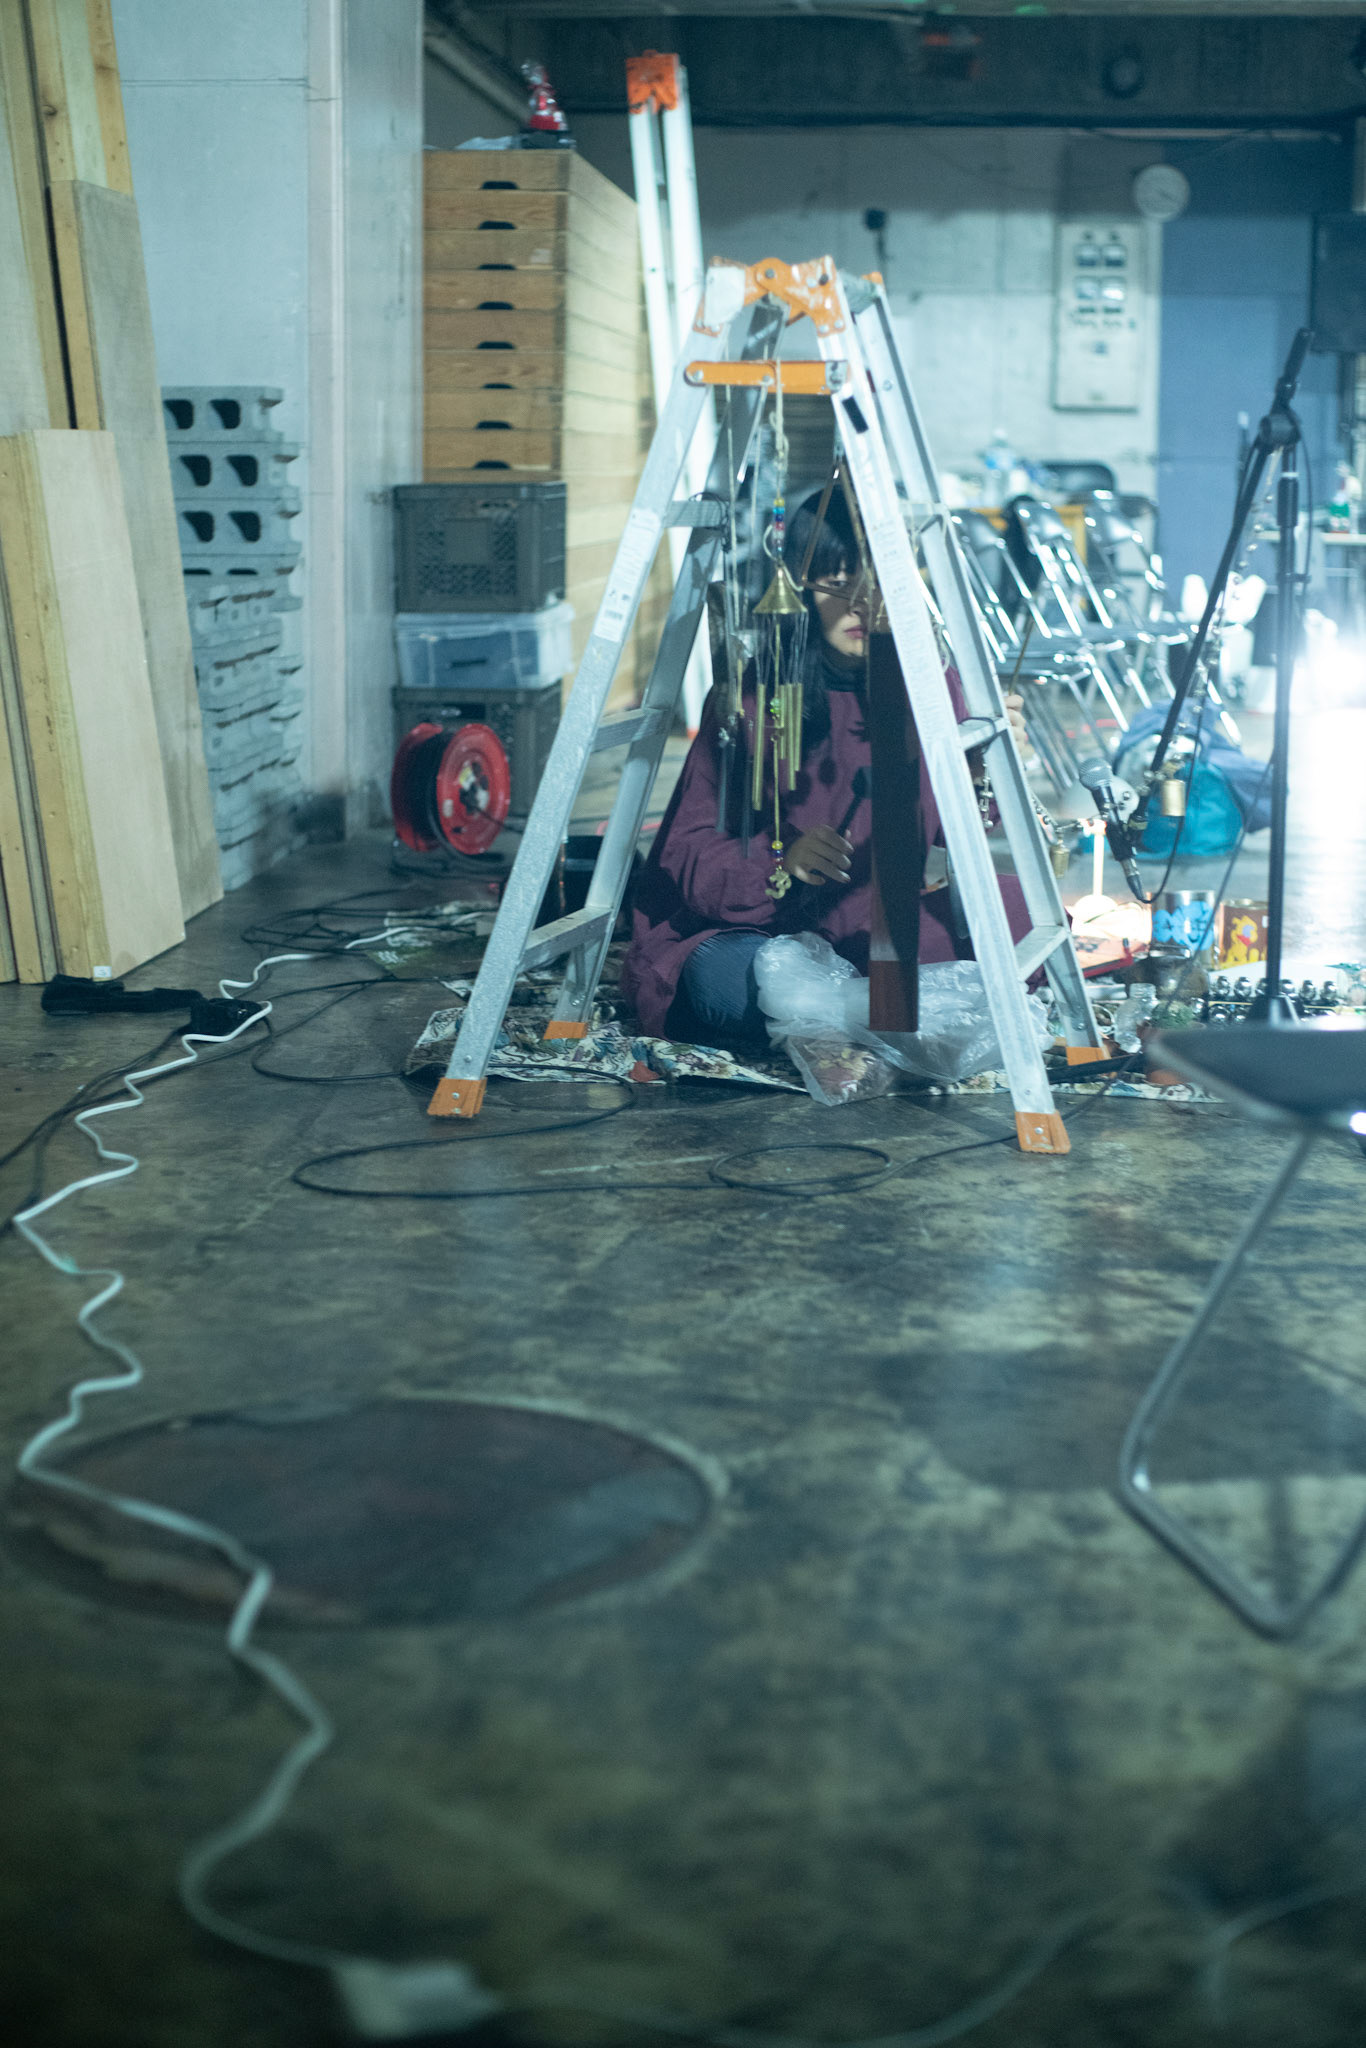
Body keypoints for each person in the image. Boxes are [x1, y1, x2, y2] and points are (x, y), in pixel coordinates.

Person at [620, 487, 1033, 1046]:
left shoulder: (935, 688)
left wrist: (984, 770)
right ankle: (876, 1013)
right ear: (800, 589)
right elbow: (685, 851)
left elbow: (949, 834)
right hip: (761, 929)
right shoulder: (756, 696)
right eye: (837, 581)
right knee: (733, 984)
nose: (862, 602)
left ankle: (843, 1013)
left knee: (1025, 914)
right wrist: (781, 859)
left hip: (875, 927)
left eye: (880, 580)